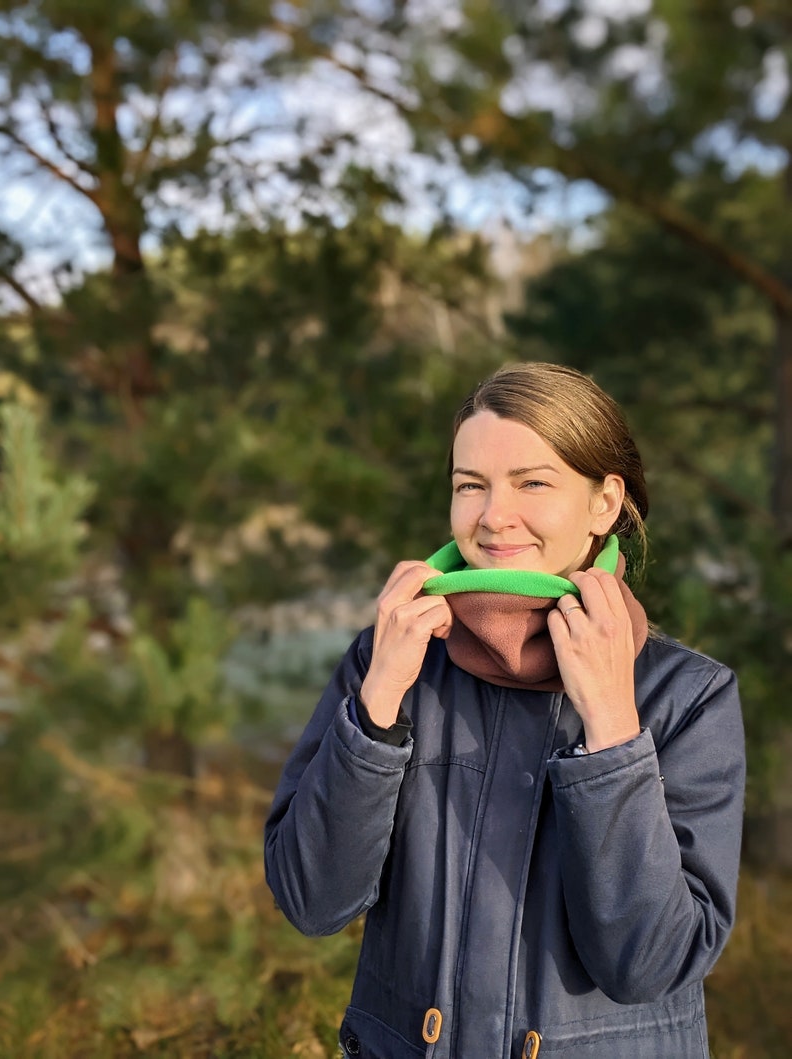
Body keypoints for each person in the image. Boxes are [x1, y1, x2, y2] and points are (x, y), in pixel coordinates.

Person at [264, 362, 745, 1059]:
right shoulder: (394, 661)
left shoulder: (687, 696)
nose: (493, 516)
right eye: (470, 485)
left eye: (532, 482)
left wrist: (612, 727)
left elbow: (650, 962)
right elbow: (312, 901)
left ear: (604, 503)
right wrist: (376, 708)